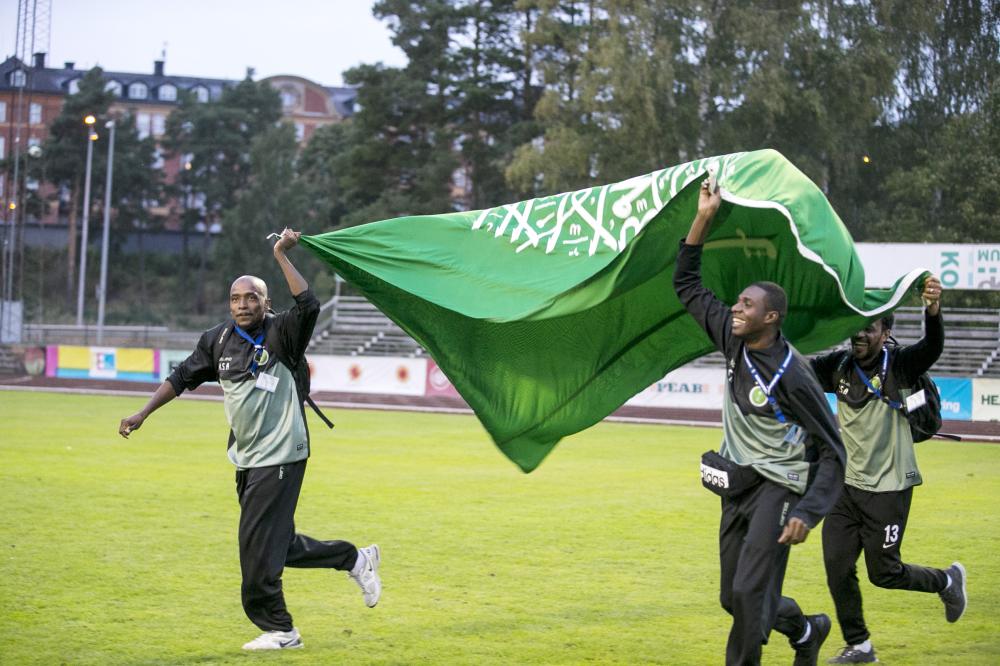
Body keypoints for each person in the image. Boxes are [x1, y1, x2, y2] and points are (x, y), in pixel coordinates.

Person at [118, 228, 382, 651]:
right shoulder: (218, 340)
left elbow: (309, 303)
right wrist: (143, 412)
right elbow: (181, 378)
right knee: (277, 543)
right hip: (246, 457)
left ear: (266, 302)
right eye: (236, 298)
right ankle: (354, 558)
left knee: (254, 550)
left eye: (252, 297)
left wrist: (280, 254)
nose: (243, 304)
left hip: (283, 452)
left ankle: (281, 630)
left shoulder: (284, 334)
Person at [674, 179, 846, 666]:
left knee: (750, 597)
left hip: (780, 486)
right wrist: (703, 217)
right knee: (734, 598)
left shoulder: (795, 375)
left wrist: (807, 512)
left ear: (770, 317)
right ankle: (805, 628)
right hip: (739, 483)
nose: (735, 308)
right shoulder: (732, 340)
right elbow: (687, 285)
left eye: (746, 305)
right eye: (737, 303)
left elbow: (833, 450)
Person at [809, 278, 967, 664]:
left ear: (886, 332)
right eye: (856, 327)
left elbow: (933, 347)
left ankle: (946, 580)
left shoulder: (901, 365)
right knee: (836, 567)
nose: (860, 334)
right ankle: (859, 645)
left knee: (885, 572)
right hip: (846, 489)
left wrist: (932, 310)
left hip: (889, 488)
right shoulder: (840, 366)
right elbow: (798, 370)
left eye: (870, 327)